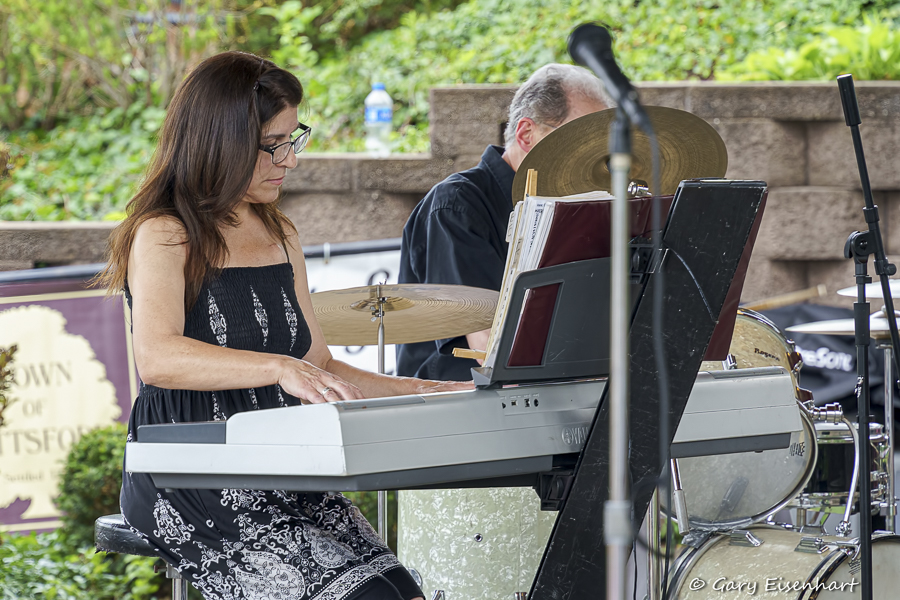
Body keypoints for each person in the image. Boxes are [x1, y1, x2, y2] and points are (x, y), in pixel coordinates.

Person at [98, 51, 467, 600]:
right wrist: (277, 366)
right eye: (273, 144)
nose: (290, 159)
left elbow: (319, 366)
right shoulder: (164, 232)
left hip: (283, 462)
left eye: (294, 139)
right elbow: (157, 357)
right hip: (189, 469)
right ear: (222, 142)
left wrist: (426, 392)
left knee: (400, 591)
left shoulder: (279, 232)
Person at [396, 63, 612, 381]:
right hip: (456, 398)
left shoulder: (572, 206)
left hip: (549, 387)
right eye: (580, 141)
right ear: (526, 134)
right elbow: (489, 345)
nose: (592, 158)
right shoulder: (456, 205)